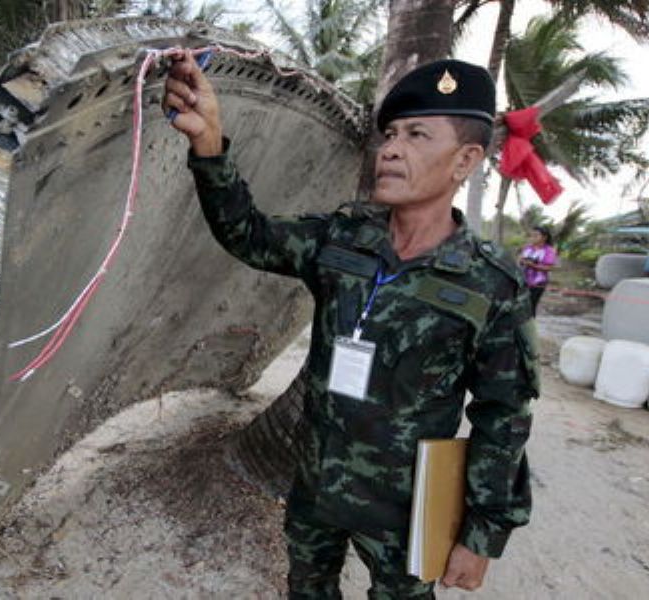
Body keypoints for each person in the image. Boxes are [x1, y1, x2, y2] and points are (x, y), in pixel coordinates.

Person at [163, 54, 538, 598]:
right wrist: (209, 141)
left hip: (407, 509)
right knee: (307, 588)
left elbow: (503, 418)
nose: (390, 148)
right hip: (317, 483)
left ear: (465, 160)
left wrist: (482, 534)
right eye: (389, 133)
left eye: (416, 135)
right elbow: (248, 233)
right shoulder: (343, 237)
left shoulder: (491, 284)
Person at [518, 225, 557, 316]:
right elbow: (520, 260)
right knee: (520, 306)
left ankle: (530, 327)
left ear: (544, 237)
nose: (533, 238)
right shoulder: (528, 248)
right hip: (523, 282)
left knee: (530, 307)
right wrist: (521, 261)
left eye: (536, 235)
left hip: (537, 284)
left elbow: (549, 268)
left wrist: (533, 265)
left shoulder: (549, 251)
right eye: (532, 235)